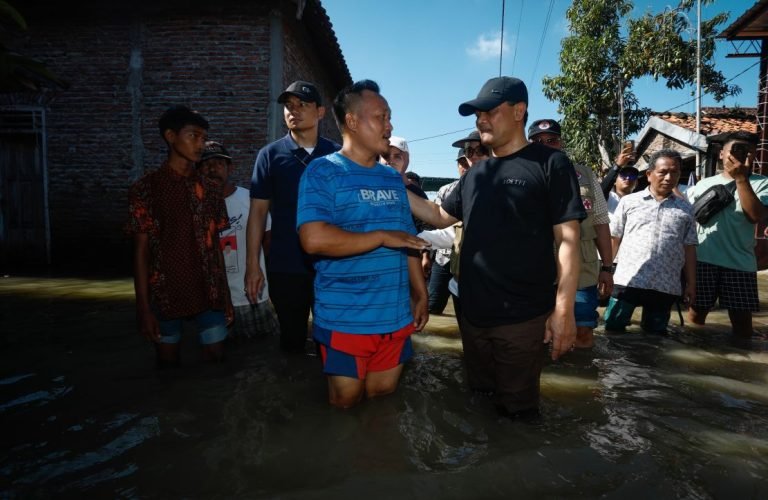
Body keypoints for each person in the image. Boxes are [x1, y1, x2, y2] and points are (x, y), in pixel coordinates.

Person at [407, 76, 585, 417]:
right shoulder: (477, 172)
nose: (481, 120)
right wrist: (389, 181)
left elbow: (568, 239)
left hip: (522, 315)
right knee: (479, 399)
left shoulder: (551, 163)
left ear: (519, 111)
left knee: (518, 411)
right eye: (478, 114)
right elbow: (439, 214)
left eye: (490, 111)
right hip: (472, 314)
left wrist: (563, 310)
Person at [296, 79, 430, 408]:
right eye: (381, 117)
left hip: (395, 316)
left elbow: (407, 239)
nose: (390, 125)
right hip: (345, 318)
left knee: (383, 403)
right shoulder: (322, 172)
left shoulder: (391, 178)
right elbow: (312, 239)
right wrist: (381, 237)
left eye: (389, 117)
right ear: (353, 122)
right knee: (345, 403)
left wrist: (421, 293)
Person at [126, 105, 230, 367]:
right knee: (167, 366)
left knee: (216, 361)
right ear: (170, 136)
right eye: (193, 136)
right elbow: (141, 251)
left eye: (203, 138)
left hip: (209, 291)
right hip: (166, 293)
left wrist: (226, 296)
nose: (200, 144)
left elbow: (217, 244)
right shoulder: (146, 189)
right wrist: (143, 308)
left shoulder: (211, 189)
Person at [246, 80, 340, 353]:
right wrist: (253, 265)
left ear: (320, 112)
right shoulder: (269, 155)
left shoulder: (337, 155)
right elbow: (257, 213)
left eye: (302, 105)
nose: (293, 111)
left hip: (331, 265)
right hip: (285, 264)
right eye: (289, 106)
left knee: (333, 340)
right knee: (291, 340)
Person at [528, 118, 614, 348]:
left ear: (561, 143)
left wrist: (607, 267)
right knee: (535, 334)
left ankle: (584, 380)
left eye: (551, 140)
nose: (545, 146)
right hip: (534, 271)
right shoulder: (520, 175)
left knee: (583, 331)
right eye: (538, 141)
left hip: (581, 270)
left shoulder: (585, 175)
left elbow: (600, 222)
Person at [685, 131, 768, 344]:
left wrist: (741, 178)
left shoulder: (762, 183)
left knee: (743, 326)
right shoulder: (703, 184)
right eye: (737, 150)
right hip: (703, 260)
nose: (743, 156)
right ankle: (694, 358)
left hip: (740, 264)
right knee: (695, 318)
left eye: (750, 152)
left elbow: (755, 216)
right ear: (722, 153)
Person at [605, 149, 697, 333]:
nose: (669, 177)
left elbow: (689, 249)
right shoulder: (629, 202)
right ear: (649, 174)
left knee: (654, 340)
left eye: (675, 172)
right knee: (612, 330)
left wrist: (691, 284)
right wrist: (606, 271)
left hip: (665, 284)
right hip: (627, 279)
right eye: (663, 172)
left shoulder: (686, 209)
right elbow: (614, 239)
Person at [199, 141, 280, 340]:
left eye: (219, 163)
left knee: (265, 354)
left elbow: (269, 242)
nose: (212, 168)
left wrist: (266, 282)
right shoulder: (195, 206)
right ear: (198, 170)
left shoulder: (250, 199)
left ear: (229, 167)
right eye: (206, 164)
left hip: (252, 296)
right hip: (213, 301)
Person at [425, 149, 471, 314]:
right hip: (444, 257)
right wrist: (425, 254)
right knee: (432, 306)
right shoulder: (446, 190)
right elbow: (436, 222)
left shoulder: (489, 188)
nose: (465, 166)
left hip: (470, 261)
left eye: (468, 161)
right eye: (462, 163)